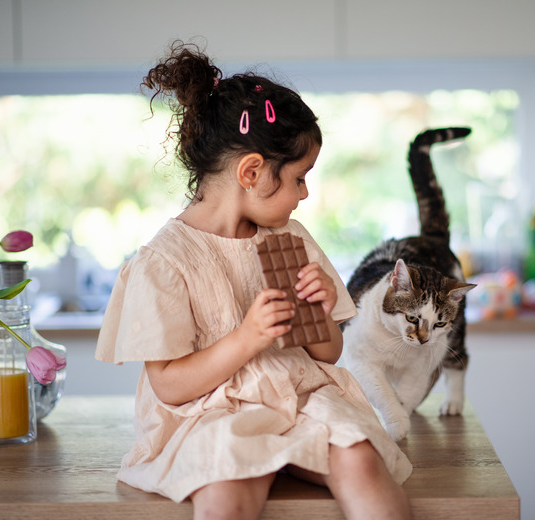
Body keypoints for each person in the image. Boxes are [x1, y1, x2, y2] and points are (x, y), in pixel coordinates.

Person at [95, 41, 413, 520]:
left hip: (301, 396)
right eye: (299, 178)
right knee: (228, 486)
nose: (305, 194)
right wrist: (247, 337)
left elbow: (327, 353)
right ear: (252, 172)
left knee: (361, 458)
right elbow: (170, 386)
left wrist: (322, 313)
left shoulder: (293, 238)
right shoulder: (164, 262)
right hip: (211, 413)